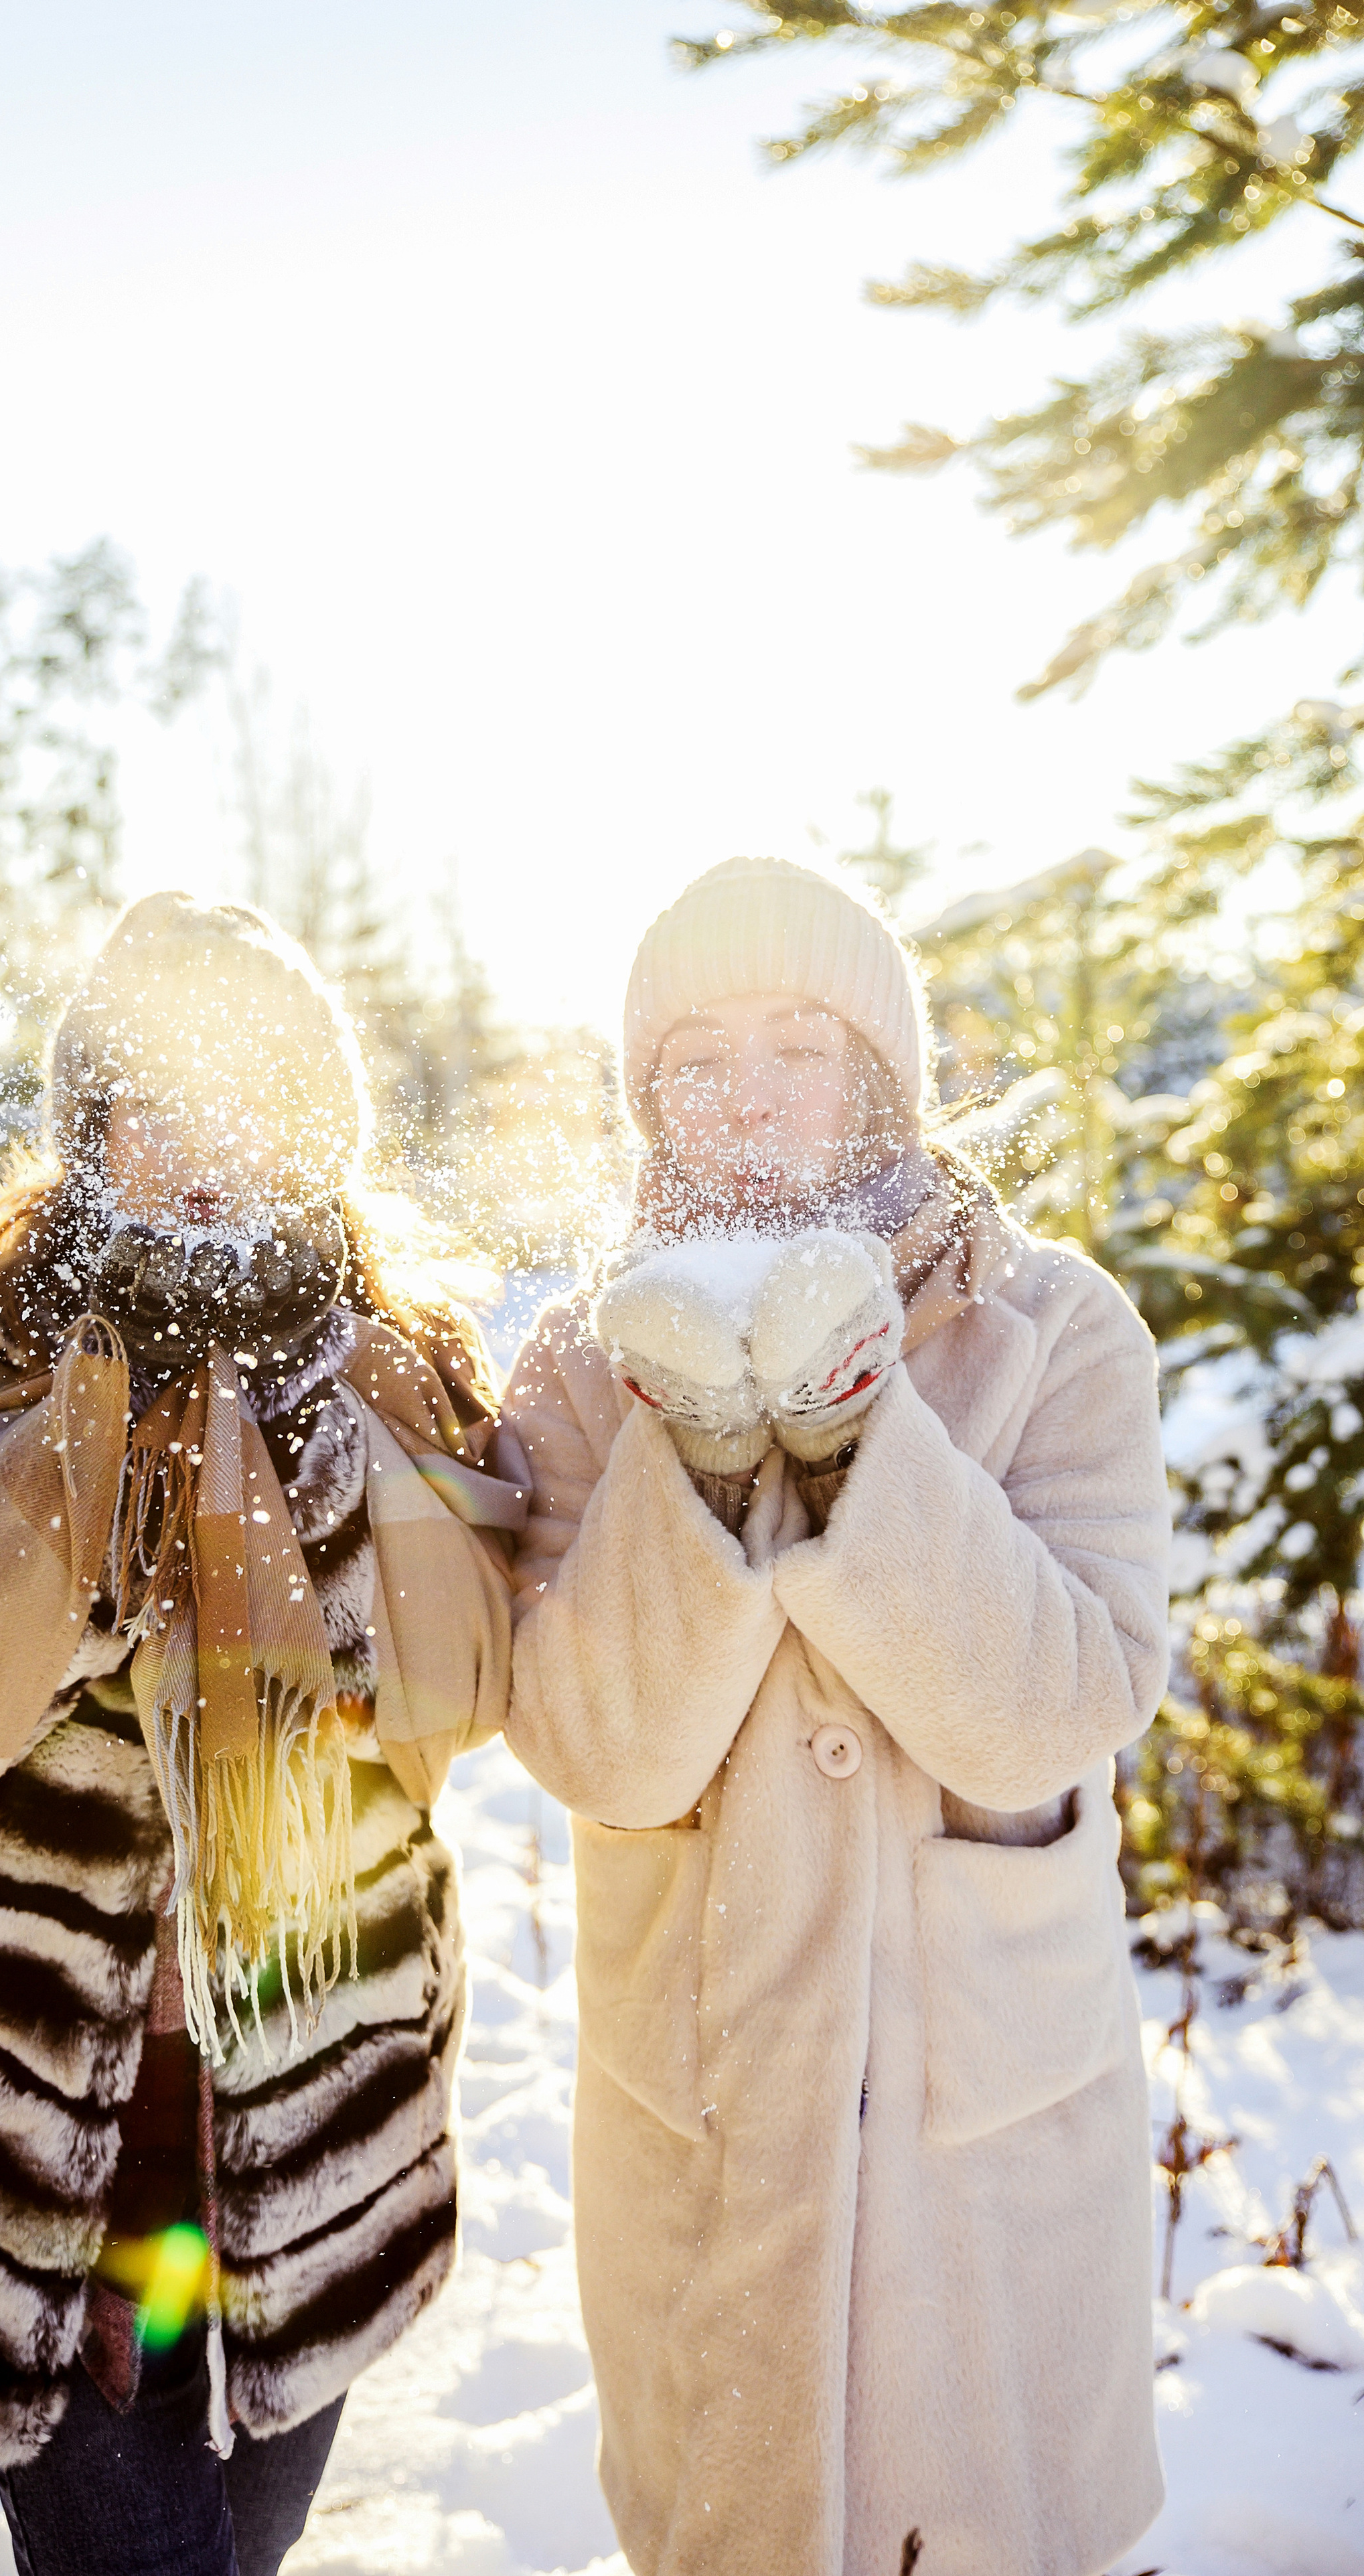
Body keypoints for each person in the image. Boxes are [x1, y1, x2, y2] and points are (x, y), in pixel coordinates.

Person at [0, 894, 524, 2576]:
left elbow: (466, 1689)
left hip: (312, 2096)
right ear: (88, 1124)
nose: (205, 1149)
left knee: (235, 2545)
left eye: (251, 1098)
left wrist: (306, 1454)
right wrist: (85, 1437)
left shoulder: (400, 1363)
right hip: (42, 2112)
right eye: (158, 1103)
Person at [503, 857, 1169, 2576]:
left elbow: (1063, 1705)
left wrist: (854, 1436)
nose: (744, 1096)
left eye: (797, 1044)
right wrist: (701, 1461)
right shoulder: (581, 1367)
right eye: (696, 1056)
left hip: (985, 2111)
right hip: (710, 2097)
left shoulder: (1053, 1326)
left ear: (880, 1073)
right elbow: (596, 1749)